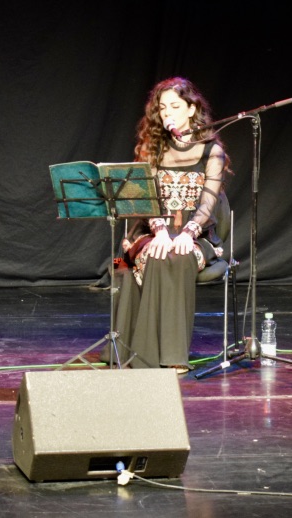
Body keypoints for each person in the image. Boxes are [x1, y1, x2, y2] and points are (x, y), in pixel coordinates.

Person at [102, 77, 231, 374]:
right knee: (155, 255)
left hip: (196, 235)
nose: (167, 113)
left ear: (191, 109)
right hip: (153, 231)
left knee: (180, 255)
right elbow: (145, 198)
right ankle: (144, 355)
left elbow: (209, 202)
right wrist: (160, 230)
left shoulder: (212, 150)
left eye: (174, 106)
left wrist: (188, 233)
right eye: (162, 108)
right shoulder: (153, 148)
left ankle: (173, 355)